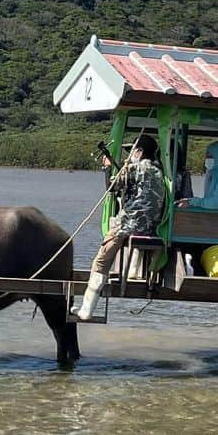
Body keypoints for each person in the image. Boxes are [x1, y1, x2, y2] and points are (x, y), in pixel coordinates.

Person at [77, 135, 166, 321]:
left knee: (100, 262)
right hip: (151, 226)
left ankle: (86, 310)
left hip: (128, 224)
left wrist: (107, 167)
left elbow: (111, 187)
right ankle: (132, 272)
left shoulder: (136, 168)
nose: (129, 156)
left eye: (131, 151)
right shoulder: (159, 171)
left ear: (140, 152)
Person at [175, 140, 218, 211]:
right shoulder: (216, 174)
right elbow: (208, 199)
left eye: (210, 156)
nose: (207, 159)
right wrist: (188, 200)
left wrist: (192, 202)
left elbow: (215, 203)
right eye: (207, 156)